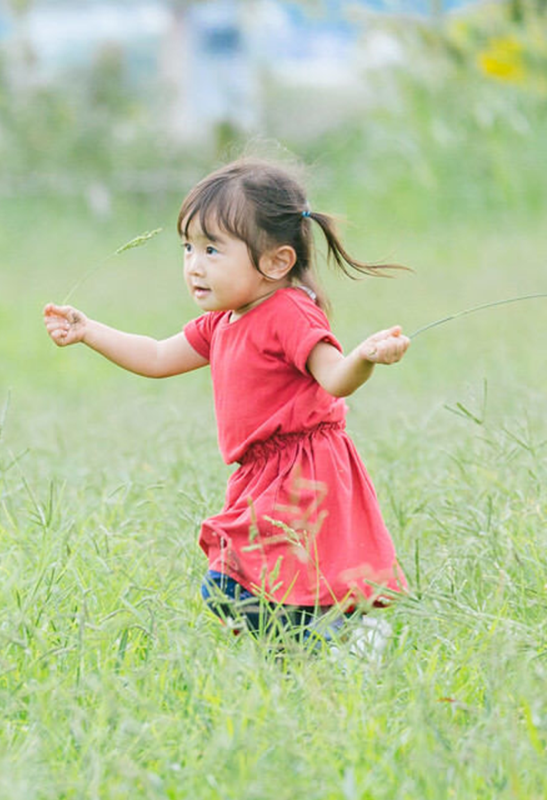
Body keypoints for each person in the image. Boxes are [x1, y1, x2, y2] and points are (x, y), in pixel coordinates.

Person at [44, 159, 411, 657]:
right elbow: (155, 356)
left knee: (232, 584)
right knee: (269, 588)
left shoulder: (288, 312)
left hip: (302, 471)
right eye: (188, 248)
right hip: (260, 472)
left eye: (213, 250)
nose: (194, 265)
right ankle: (319, 652)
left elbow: (334, 378)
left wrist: (364, 357)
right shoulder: (223, 322)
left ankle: (345, 637)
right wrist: (90, 331)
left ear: (277, 262)